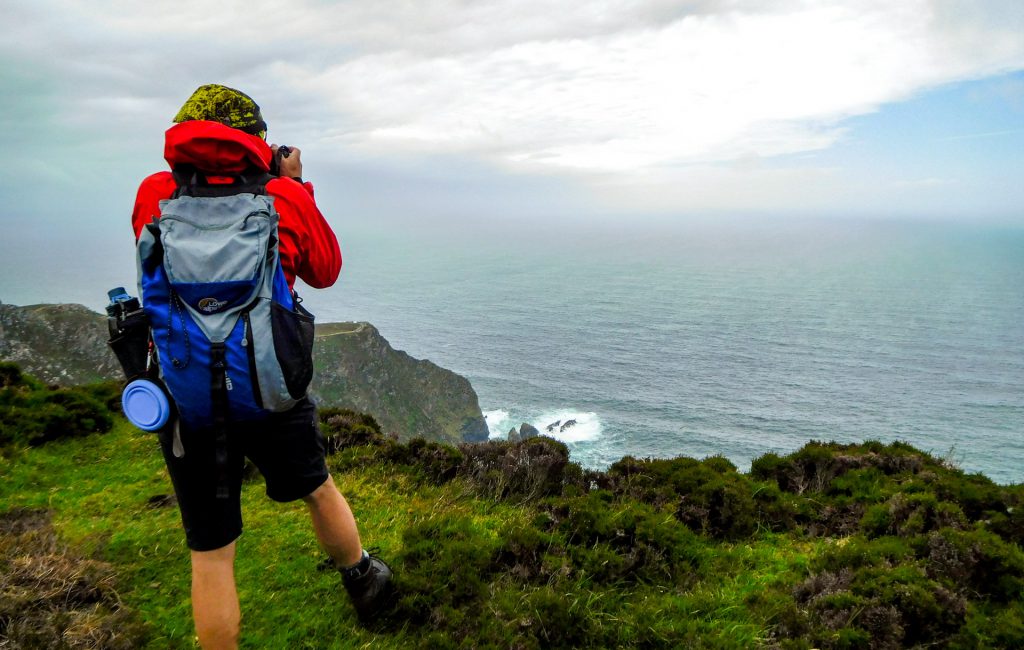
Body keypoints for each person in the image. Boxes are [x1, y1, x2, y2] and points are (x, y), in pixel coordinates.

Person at [131, 84, 392, 649]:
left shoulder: (154, 194)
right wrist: (294, 184)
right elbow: (325, 268)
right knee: (318, 487)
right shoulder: (282, 197)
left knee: (211, 549)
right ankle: (363, 581)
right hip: (271, 386)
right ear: (259, 142)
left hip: (188, 398)